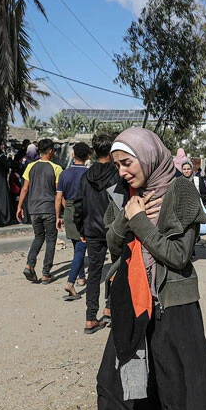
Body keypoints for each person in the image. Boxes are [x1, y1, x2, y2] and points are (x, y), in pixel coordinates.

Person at [83, 127, 206, 410]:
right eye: (117, 165)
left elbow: (178, 256)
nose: (122, 172)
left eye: (127, 163)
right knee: (115, 380)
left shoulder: (182, 193)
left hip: (172, 305)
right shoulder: (125, 193)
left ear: (147, 155)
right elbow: (114, 244)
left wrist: (139, 222)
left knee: (180, 395)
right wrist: (126, 220)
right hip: (132, 300)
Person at [74, 133, 120, 334]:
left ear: (93, 151)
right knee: (115, 270)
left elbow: (79, 205)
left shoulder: (86, 176)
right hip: (114, 230)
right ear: (111, 151)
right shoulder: (118, 174)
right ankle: (109, 308)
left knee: (94, 273)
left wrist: (81, 229)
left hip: (91, 231)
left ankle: (90, 318)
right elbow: (122, 202)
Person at [17, 138, 62, 284]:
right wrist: (59, 214)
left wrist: (19, 206)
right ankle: (46, 273)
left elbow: (25, 188)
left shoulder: (30, 166)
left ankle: (29, 264)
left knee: (38, 237)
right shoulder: (56, 168)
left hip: (33, 209)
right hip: (48, 208)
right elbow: (58, 193)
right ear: (50, 151)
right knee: (50, 240)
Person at [56, 143, 91, 300]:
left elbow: (59, 197)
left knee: (77, 245)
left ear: (72, 155)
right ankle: (70, 283)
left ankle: (81, 277)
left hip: (69, 209)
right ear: (88, 157)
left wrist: (59, 215)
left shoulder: (64, 174)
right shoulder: (89, 174)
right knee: (81, 247)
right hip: (84, 210)